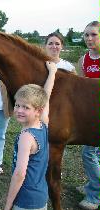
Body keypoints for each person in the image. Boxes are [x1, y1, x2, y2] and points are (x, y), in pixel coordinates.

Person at [4, 61, 57, 210]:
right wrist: (52, 72)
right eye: (17, 105)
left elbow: (20, 174)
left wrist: (8, 205)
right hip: (40, 197)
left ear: (37, 111)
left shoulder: (26, 137)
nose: (19, 110)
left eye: (25, 107)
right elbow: (46, 96)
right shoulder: (43, 123)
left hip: (25, 201)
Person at [76, 21, 100, 210]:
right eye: (86, 35)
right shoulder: (84, 59)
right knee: (94, 154)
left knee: (89, 153)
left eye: (93, 34)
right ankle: (93, 186)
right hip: (91, 115)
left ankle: (94, 194)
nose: (89, 38)